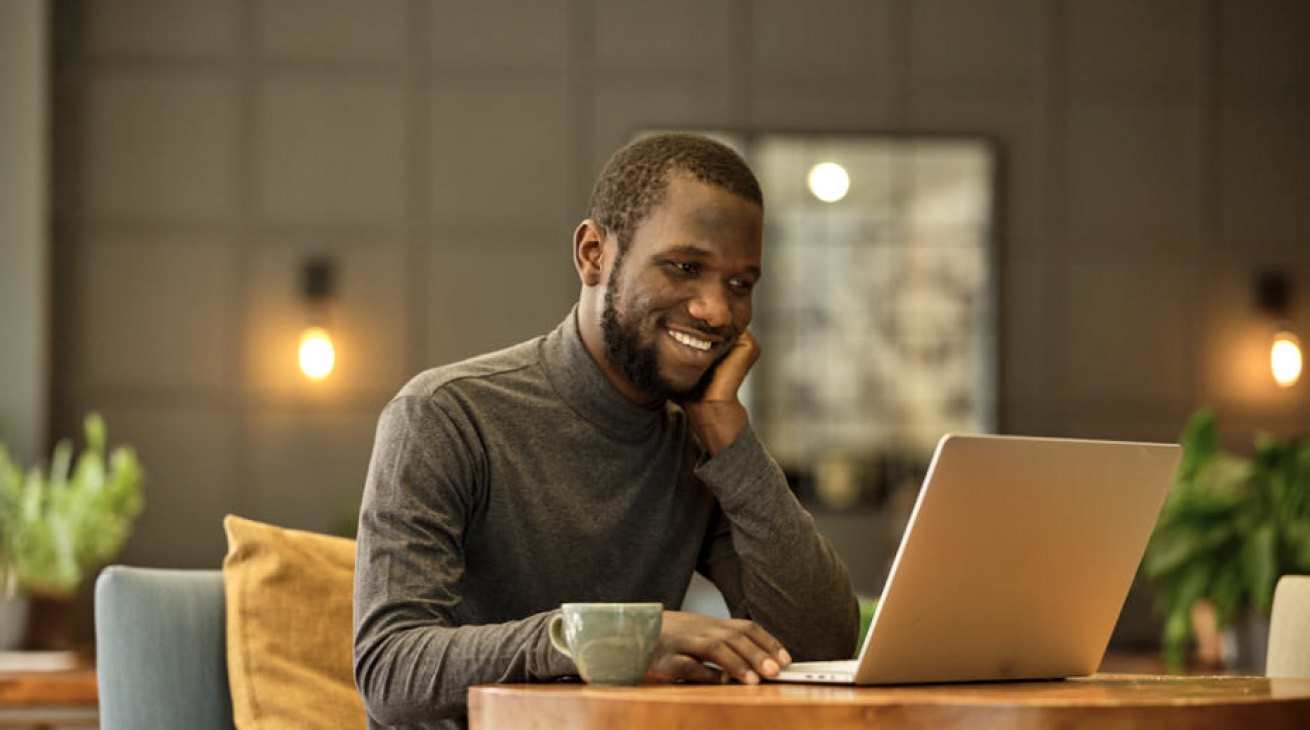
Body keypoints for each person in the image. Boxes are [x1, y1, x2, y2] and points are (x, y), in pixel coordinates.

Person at [353, 133, 859, 730]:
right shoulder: (444, 414)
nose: (717, 311)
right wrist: (611, 639)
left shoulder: (700, 445)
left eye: (740, 284)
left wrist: (731, 437)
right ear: (594, 253)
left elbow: (822, 642)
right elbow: (390, 670)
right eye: (686, 267)